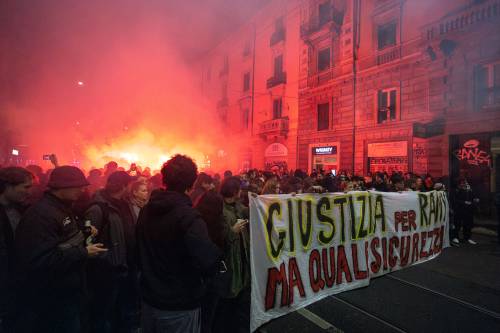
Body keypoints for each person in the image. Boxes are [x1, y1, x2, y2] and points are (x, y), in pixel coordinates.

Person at [13, 166, 107, 333]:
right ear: (61, 187)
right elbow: (39, 259)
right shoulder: (41, 215)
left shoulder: (62, 207)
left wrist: (83, 232)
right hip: (53, 298)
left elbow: (64, 239)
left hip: (68, 293)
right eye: (78, 185)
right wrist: (84, 252)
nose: (83, 189)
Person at [136, 155, 222, 333]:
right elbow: (207, 260)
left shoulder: (145, 211)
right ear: (191, 185)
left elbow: (137, 249)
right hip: (179, 305)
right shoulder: (189, 217)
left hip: (149, 299)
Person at [84, 171, 138, 333]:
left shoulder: (125, 204)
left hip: (126, 268)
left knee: (124, 311)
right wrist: (109, 258)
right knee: (105, 314)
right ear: (123, 186)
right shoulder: (96, 209)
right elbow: (87, 241)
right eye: (129, 185)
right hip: (107, 273)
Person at [214, 176, 250, 333]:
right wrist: (233, 232)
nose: (241, 192)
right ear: (234, 191)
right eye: (239, 190)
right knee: (227, 303)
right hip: (229, 262)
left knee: (240, 300)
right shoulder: (220, 209)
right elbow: (219, 238)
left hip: (241, 259)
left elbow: (248, 211)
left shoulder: (237, 206)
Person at [0, 167, 33, 332]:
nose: (29, 192)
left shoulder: (20, 208)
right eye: (26, 187)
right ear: (8, 186)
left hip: (17, 282)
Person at [451, 178, 478, 245]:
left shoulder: (469, 190)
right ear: (459, 184)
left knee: (468, 224)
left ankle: (467, 238)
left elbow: (473, 197)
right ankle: (455, 237)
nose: (464, 184)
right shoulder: (456, 190)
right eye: (463, 183)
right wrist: (464, 202)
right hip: (459, 210)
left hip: (468, 210)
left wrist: (475, 199)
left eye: (465, 183)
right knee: (457, 224)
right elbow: (454, 200)